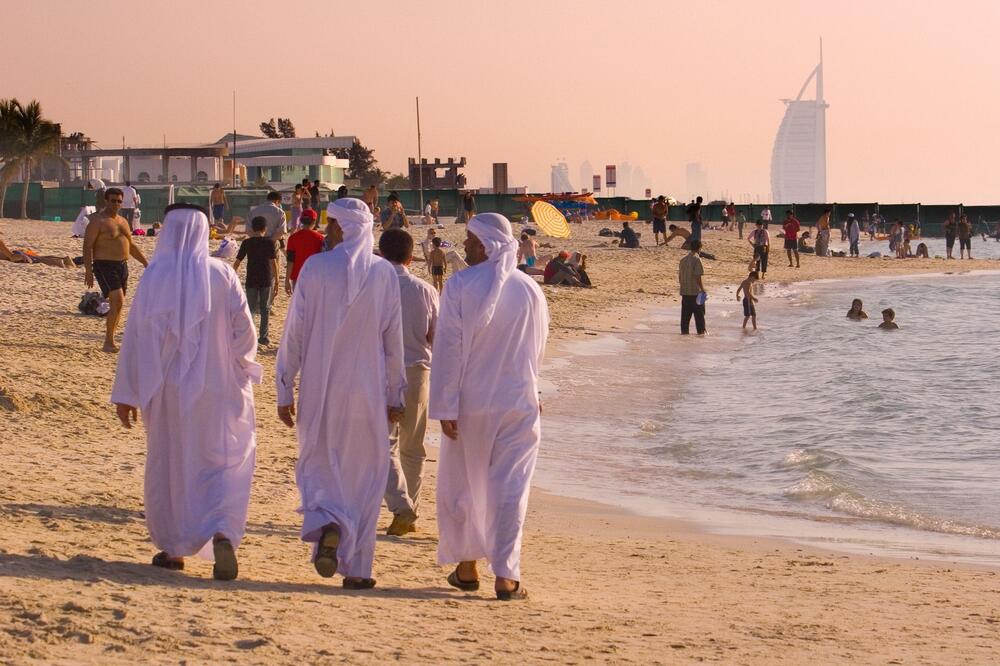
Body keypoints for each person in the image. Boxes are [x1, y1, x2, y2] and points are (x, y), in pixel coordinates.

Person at [110, 204, 261, 580]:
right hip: (219, 386)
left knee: (172, 463)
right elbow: (245, 331)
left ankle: (174, 549)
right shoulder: (222, 273)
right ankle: (222, 531)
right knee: (220, 458)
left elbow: (137, 339)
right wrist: (242, 368)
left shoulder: (155, 275)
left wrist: (127, 392)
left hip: (165, 391)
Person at [275, 197, 405, 590]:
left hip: (320, 388)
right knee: (365, 474)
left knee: (319, 462)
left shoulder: (316, 268)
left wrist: (285, 386)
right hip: (368, 390)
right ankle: (360, 569)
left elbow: (294, 332)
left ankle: (328, 522)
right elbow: (393, 340)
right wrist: (396, 394)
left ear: (338, 228)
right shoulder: (384, 273)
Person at [430, 212, 549, 601]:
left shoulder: (461, 284)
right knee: (511, 488)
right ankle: (506, 576)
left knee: (465, 485)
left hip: (470, 404)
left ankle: (468, 569)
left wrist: (445, 405)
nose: (463, 245)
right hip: (519, 401)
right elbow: (537, 349)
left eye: (469, 239)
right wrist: (536, 392)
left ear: (485, 244)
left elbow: (447, 350)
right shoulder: (530, 289)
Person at [379, 228, 440, 536]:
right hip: (417, 371)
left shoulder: (371, 286)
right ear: (411, 256)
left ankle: (401, 506)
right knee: (413, 447)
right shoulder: (425, 290)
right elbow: (436, 337)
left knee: (383, 444)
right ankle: (409, 508)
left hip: (378, 372)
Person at [83, 187, 149, 352]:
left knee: (119, 305)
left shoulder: (123, 221)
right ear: (106, 201)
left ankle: (111, 338)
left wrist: (147, 264)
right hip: (104, 265)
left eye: (119, 201)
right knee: (117, 301)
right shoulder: (98, 221)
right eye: (113, 201)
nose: (116, 204)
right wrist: (88, 271)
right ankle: (108, 341)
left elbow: (131, 246)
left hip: (122, 265)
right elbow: (87, 246)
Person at [233, 216, 279, 346]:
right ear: (265, 228)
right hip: (266, 279)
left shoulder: (247, 243)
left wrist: (232, 276)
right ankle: (263, 337)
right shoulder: (269, 242)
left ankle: (250, 336)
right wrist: (276, 282)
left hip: (251, 279)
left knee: (251, 309)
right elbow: (273, 263)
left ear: (252, 229)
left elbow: (237, 262)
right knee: (265, 309)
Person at [284, 208, 324, 294]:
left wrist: (287, 280)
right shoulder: (320, 238)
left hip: (297, 276)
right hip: (314, 276)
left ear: (301, 220)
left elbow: (290, 261)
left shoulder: (293, 238)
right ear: (314, 221)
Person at [679, 240, 706, 335]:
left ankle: (684, 335)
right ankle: (701, 335)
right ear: (699, 248)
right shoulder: (697, 259)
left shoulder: (683, 260)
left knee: (685, 318)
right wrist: (702, 290)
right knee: (699, 317)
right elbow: (698, 276)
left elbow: (680, 277)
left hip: (685, 292)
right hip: (695, 292)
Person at [0, 233, 74, 267]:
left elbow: (11, 256)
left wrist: (15, 256)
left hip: (16, 256)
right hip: (16, 254)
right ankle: (63, 259)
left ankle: (59, 261)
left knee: (40, 259)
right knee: (40, 258)